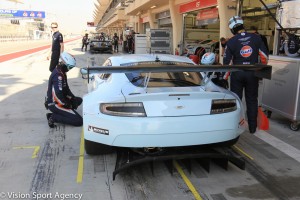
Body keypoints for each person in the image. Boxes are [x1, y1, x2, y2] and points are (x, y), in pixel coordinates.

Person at [223, 16, 269, 134]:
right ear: (242, 25)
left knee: (237, 101)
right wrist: (260, 68)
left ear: (232, 29)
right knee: (252, 100)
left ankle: (237, 126)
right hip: (252, 73)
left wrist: (224, 78)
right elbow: (264, 57)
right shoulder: (256, 38)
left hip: (237, 74)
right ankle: (252, 128)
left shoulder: (231, 41)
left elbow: (226, 63)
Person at [45, 52, 83, 128]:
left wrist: (72, 98)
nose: (69, 69)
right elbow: (57, 95)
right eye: (69, 67)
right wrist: (66, 104)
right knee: (79, 121)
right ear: (63, 63)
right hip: (54, 103)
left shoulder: (62, 72)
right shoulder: (58, 75)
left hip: (58, 99)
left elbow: (66, 89)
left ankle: (64, 112)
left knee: (78, 100)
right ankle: (53, 117)